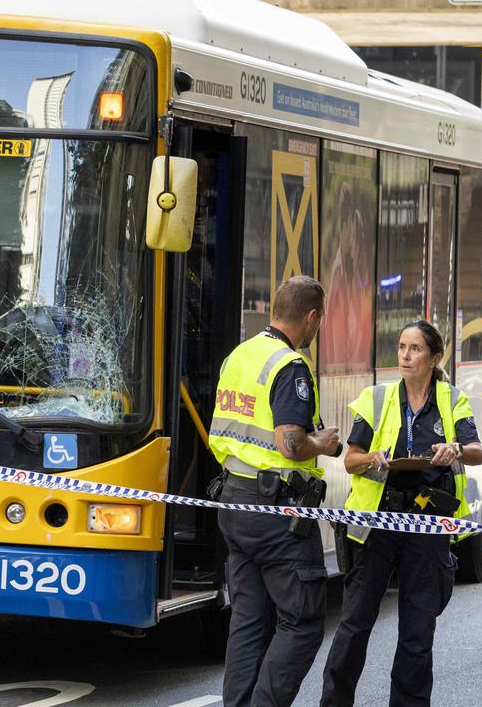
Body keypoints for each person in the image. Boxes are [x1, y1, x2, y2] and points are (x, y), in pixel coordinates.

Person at [321, 320, 482, 707]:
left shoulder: (451, 399)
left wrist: (456, 450)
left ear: (435, 358)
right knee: (355, 623)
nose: (406, 356)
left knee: (417, 629)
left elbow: (476, 449)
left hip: (428, 526)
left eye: (415, 349)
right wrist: (372, 459)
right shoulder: (377, 398)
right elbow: (351, 460)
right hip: (379, 524)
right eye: (401, 347)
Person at [209, 275, 341, 707]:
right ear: (311, 316)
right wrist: (324, 443)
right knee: (302, 621)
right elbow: (292, 442)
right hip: (276, 512)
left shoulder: (240, 356)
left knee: (248, 620)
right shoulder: (289, 366)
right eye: (318, 321)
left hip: (234, 500)